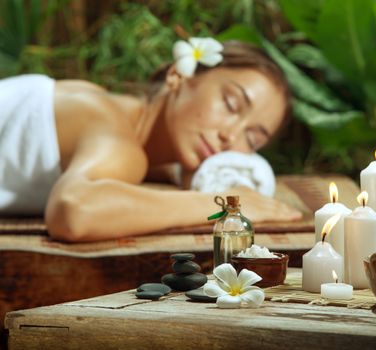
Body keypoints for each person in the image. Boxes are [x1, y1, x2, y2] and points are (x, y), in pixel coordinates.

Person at [0, 39, 302, 242]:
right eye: (231, 104)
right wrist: (224, 205)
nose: (231, 136)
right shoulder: (117, 138)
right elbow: (73, 210)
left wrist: (179, 173)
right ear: (177, 76)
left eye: (251, 139)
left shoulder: (111, 115)